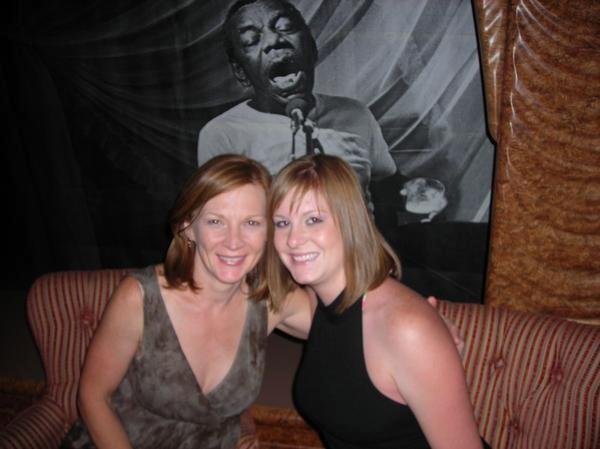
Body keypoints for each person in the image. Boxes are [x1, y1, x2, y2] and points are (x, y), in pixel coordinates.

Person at [61, 154, 461, 448]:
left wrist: (425, 330)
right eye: (215, 221)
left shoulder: (267, 303)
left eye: (252, 223)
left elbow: (358, 321)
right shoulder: (140, 297)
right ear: (187, 227)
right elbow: (92, 396)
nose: (234, 241)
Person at [266, 154, 491, 449]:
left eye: (314, 220)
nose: (293, 239)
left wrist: (427, 330)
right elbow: (240, 299)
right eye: (282, 223)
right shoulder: (317, 307)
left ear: (351, 222)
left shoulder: (405, 328)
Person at [197, 0, 397, 211]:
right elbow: (224, 219)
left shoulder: (356, 114)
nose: (274, 41)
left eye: (285, 27)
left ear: (312, 49)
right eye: (251, 40)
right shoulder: (223, 134)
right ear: (241, 73)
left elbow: (388, 189)